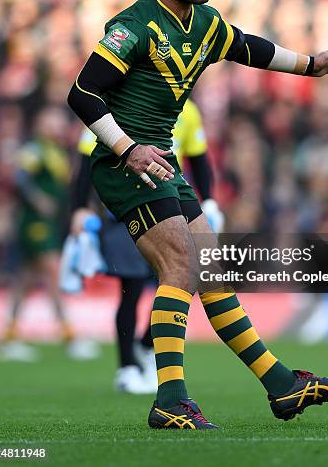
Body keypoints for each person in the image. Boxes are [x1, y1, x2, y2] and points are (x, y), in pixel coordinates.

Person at [68, 0, 328, 430]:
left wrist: (311, 65)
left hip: (161, 162)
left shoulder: (205, 23)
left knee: (213, 273)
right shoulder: (133, 25)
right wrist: (128, 148)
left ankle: (282, 385)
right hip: (126, 164)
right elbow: (82, 93)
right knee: (182, 267)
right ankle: (170, 400)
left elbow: (250, 48)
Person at [72, 99, 223, 393]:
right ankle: (126, 367)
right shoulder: (114, 105)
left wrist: (210, 201)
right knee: (131, 287)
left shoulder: (189, 110)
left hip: (167, 208)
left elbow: (199, 159)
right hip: (122, 205)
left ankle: (147, 343)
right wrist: (79, 207)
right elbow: (85, 161)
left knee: (180, 280)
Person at [0, 106, 75, 361]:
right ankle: (68, 335)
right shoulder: (35, 150)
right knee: (52, 271)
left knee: (26, 277)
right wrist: (38, 198)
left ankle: (9, 335)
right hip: (35, 222)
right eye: (51, 121)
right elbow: (19, 177)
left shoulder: (56, 151)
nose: (57, 126)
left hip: (49, 223)